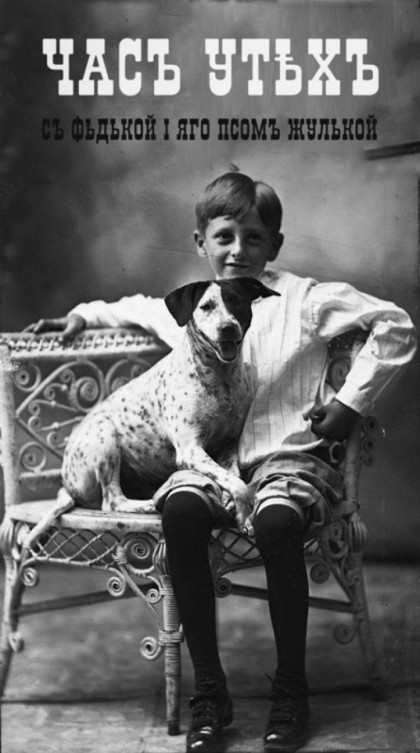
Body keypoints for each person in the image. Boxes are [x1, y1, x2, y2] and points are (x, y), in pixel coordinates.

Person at [26, 172, 416, 753]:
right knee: (181, 512)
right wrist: (81, 315)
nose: (238, 250)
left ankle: (291, 691)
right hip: (214, 464)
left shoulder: (305, 300)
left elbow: (395, 324)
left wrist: (347, 405)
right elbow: (132, 308)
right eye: (224, 237)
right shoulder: (195, 305)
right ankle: (210, 690)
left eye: (253, 238)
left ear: (274, 244)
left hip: (287, 459)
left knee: (278, 521)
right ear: (201, 243)